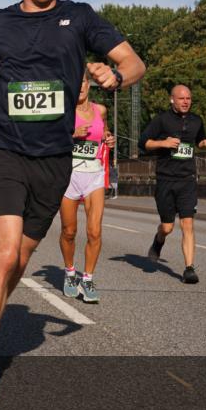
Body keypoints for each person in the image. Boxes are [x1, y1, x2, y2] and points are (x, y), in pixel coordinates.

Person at [0, 0, 145, 409]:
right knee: (4, 248)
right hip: (5, 149)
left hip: (55, 157)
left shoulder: (80, 18)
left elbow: (134, 63)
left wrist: (113, 74)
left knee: (19, 259)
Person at [139, 84, 206, 283]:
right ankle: (158, 240)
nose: (185, 102)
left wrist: (204, 143)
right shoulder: (161, 120)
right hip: (165, 180)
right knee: (167, 227)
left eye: (188, 98)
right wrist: (163, 143)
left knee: (187, 224)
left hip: (187, 179)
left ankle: (189, 268)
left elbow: (199, 139)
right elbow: (143, 142)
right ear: (172, 99)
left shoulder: (196, 120)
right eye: (181, 98)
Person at [58, 73, 115, 303]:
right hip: (68, 175)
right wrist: (71, 135)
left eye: (82, 81)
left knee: (94, 231)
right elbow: (48, 139)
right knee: (69, 231)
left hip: (94, 174)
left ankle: (88, 278)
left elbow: (104, 132)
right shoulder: (63, 110)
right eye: (75, 81)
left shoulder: (100, 110)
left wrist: (108, 138)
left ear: (88, 84)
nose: (79, 86)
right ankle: (70, 273)